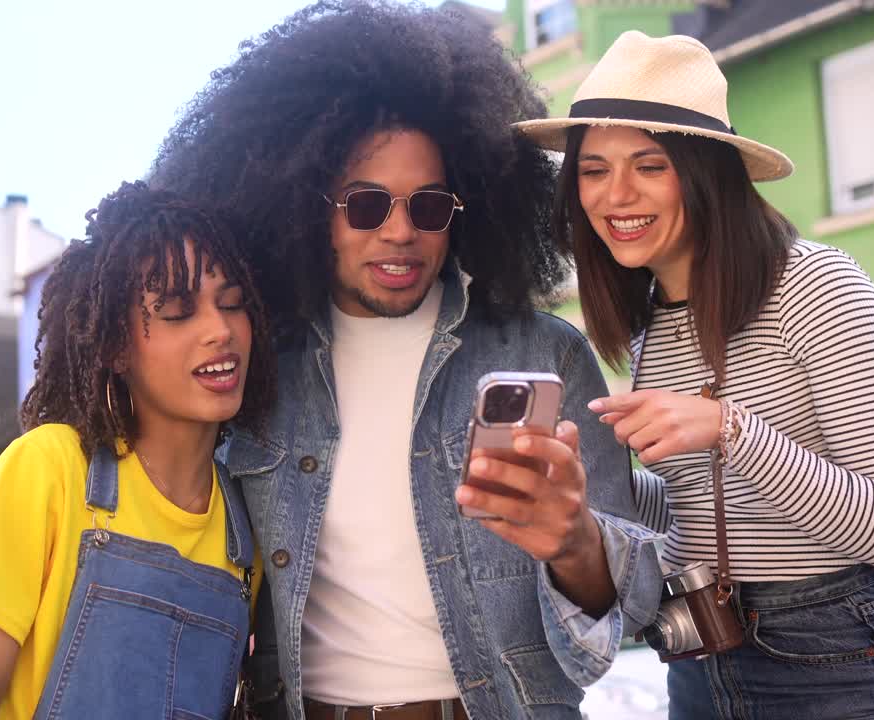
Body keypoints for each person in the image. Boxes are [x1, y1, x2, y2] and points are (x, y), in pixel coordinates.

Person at [151, 2, 663, 719]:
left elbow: (631, 603)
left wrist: (575, 543)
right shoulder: (257, 367)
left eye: (428, 206)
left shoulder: (544, 354)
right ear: (308, 209)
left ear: (465, 210)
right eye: (366, 205)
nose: (399, 231)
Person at [516, 31, 874, 720]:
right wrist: (584, 484)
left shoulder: (815, 285)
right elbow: (707, 511)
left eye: (650, 164)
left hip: (839, 667)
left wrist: (730, 428)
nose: (617, 194)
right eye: (594, 169)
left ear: (705, 171)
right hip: (703, 665)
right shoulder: (653, 324)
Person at [0, 182, 273, 720]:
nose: (220, 330)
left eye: (232, 304)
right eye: (178, 312)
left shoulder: (244, 535)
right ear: (115, 346)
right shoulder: (49, 469)